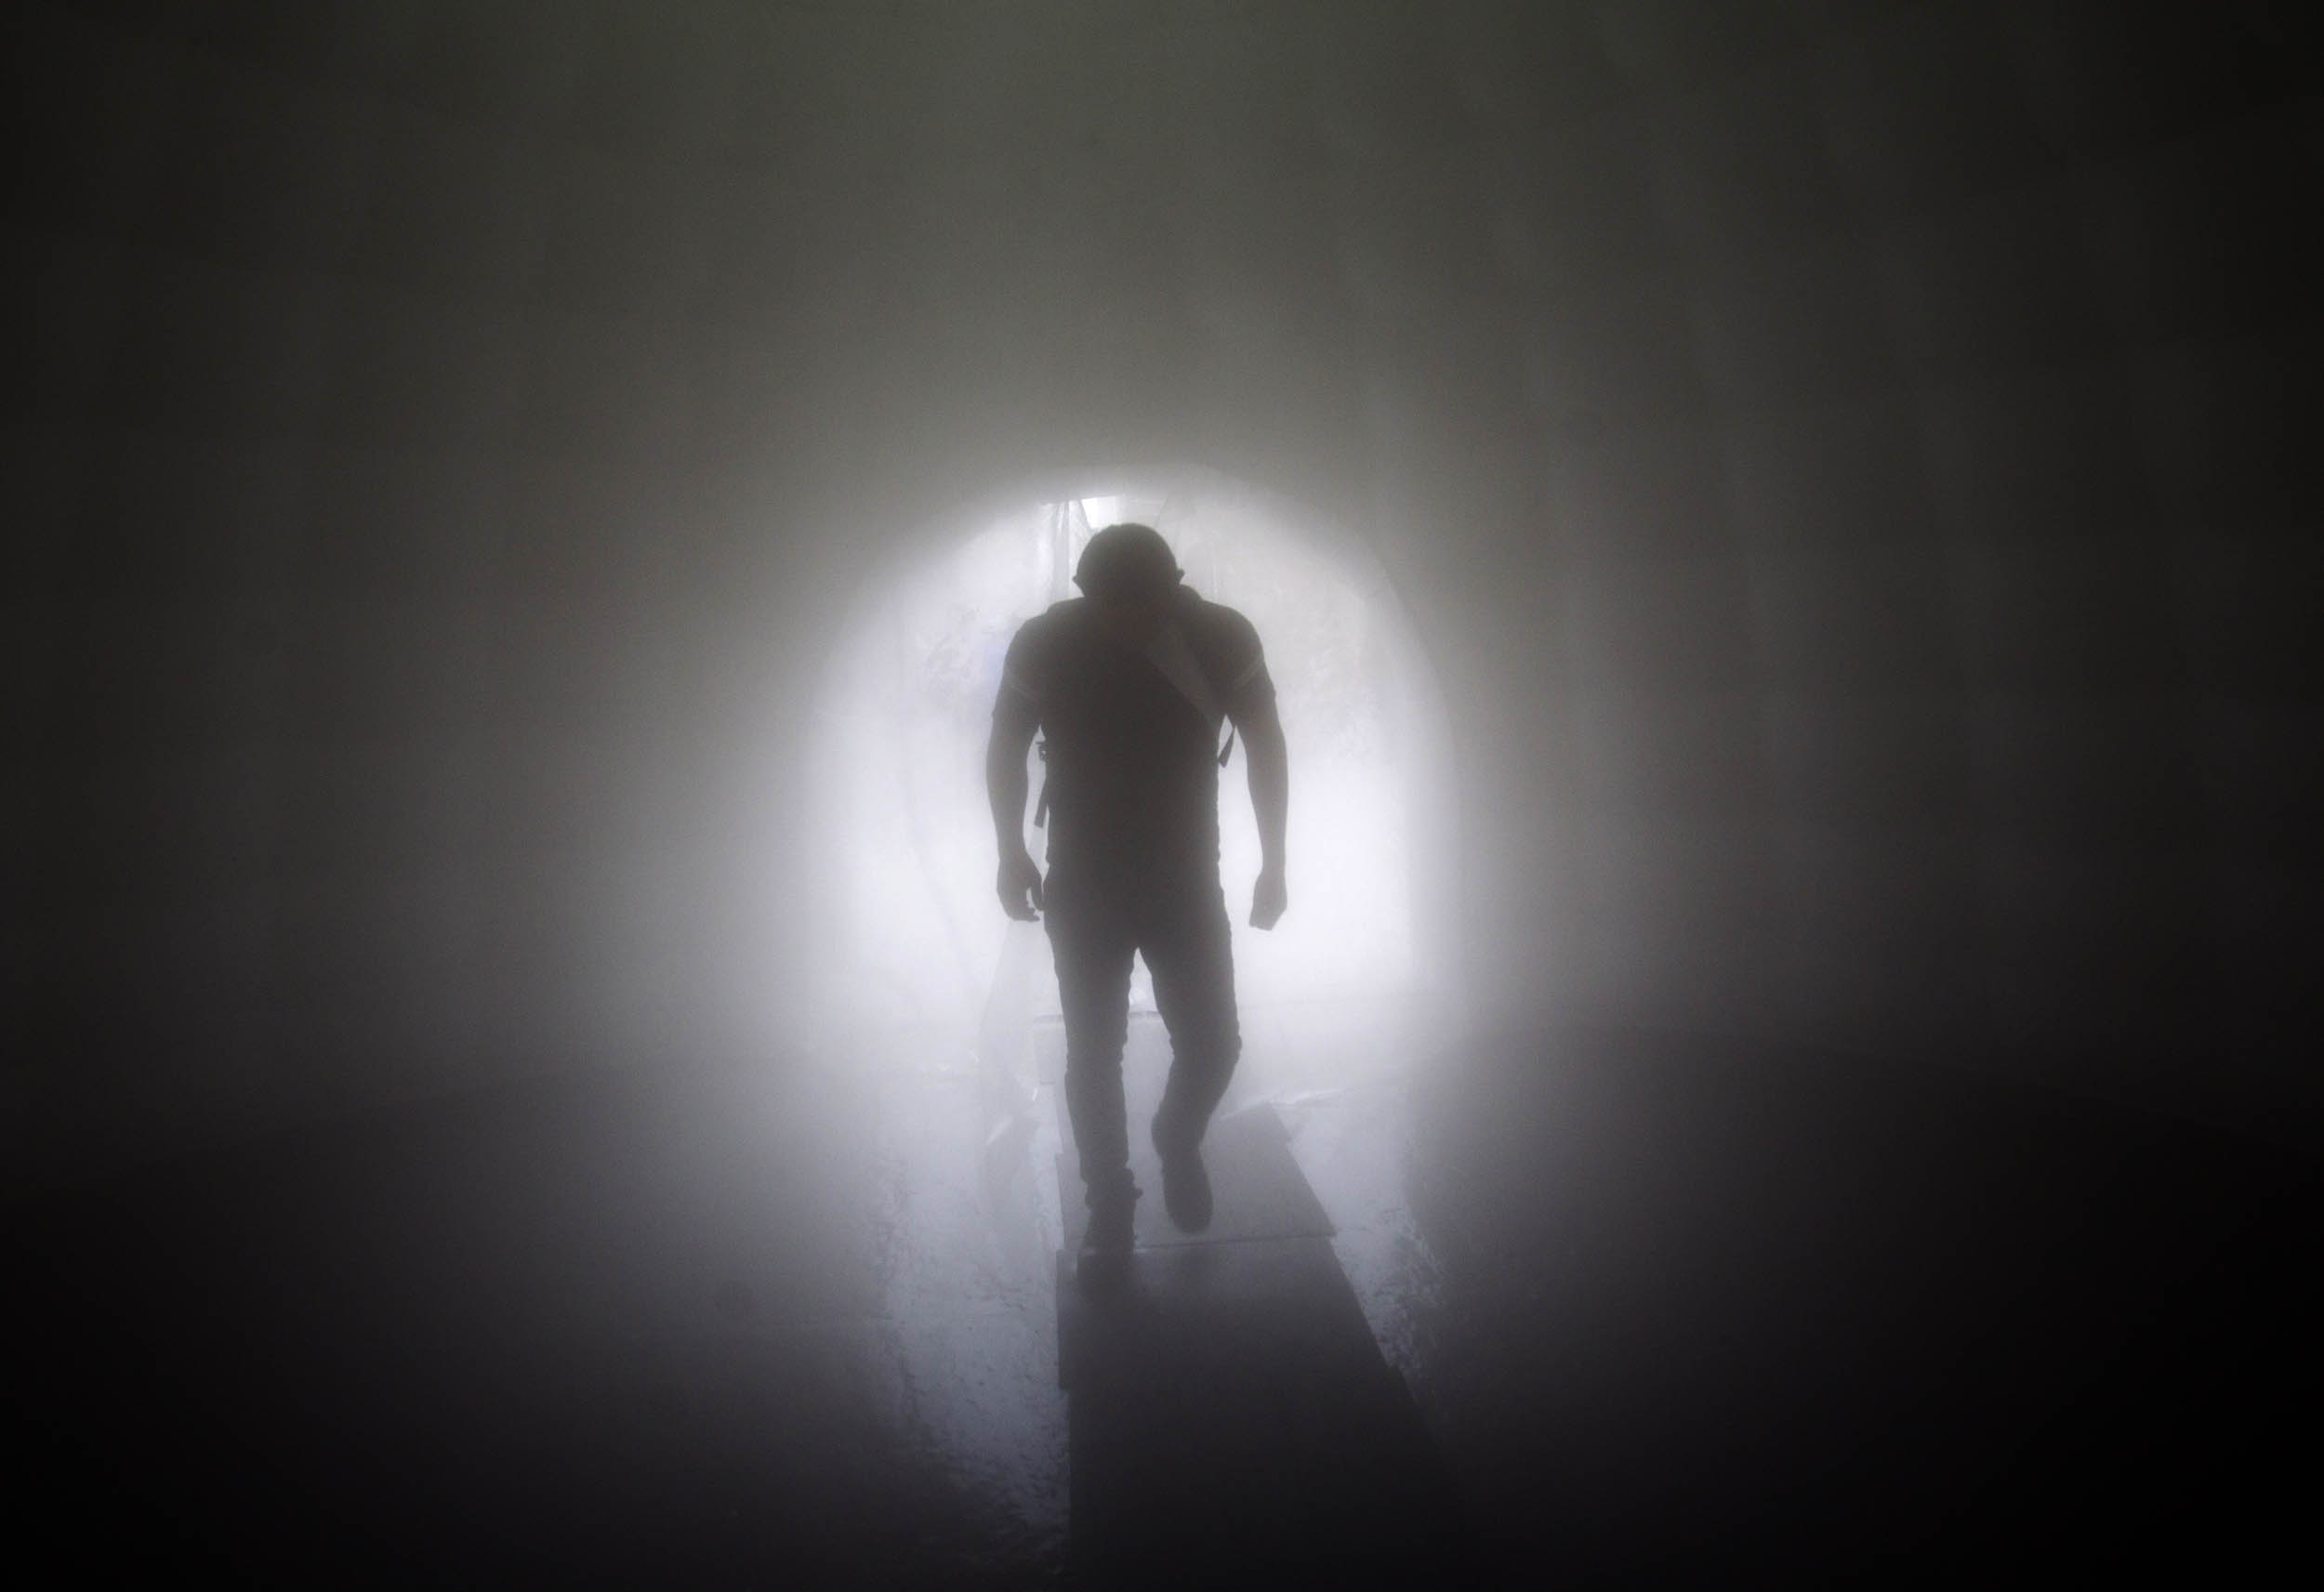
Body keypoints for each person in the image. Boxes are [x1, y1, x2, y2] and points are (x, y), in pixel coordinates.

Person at [986, 523, 1288, 1289]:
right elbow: (1004, 747)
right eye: (1110, 606)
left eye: (1142, 604)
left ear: (1172, 588)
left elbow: (1266, 745)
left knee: (1216, 1044)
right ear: (1087, 597)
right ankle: (1109, 1206)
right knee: (1094, 1051)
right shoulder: (1048, 643)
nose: (1126, 620)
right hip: (1083, 877)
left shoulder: (1217, 638)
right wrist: (1011, 849)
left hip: (1185, 878)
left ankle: (1176, 1135)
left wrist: (1276, 861)